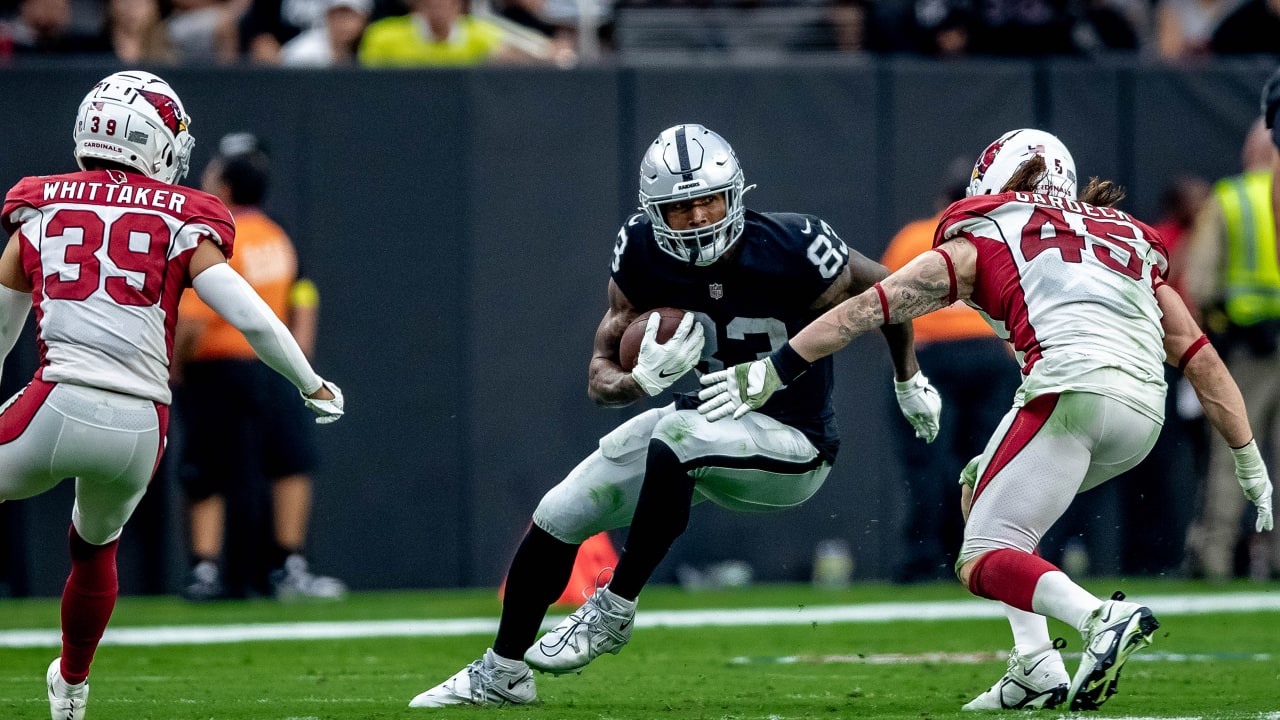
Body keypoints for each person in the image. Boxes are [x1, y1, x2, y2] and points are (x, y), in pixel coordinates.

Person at [699, 128, 1273, 711]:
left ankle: (1100, 618)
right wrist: (1249, 459)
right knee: (980, 490)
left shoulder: (988, 235)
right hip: (1140, 417)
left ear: (995, 181)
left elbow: (869, 308)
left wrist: (776, 368)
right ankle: (1035, 666)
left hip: (1070, 395)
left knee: (978, 557)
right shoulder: (1125, 238)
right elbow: (1199, 357)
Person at [408, 123, 940, 707]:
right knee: (562, 509)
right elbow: (598, 378)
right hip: (708, 424)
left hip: (796, 443)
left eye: (709, 199)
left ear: (737, 194)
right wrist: (637, 381)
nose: (698, 217)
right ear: (654, 211)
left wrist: (907, 377)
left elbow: (890, 290)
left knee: (679, 435)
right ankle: (502, 673)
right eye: (680, 206)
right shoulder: (640, 252)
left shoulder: (793, 246)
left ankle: (614, 609)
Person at [0, 70, 344, 720]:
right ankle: (72, 686)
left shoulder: (40, 206)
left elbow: (0, 326)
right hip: (139, 429)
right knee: (94, 548)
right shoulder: (183, 217)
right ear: (154, 141)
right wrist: (308, 380)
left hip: (54, 401)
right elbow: (248, 315)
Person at [174, 132, 347, 602]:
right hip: (273, 368)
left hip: (217, 367)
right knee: (285, 462)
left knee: (210, 469)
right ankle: (286, 565)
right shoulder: (277, 234)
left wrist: (172, 363)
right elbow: (303, 294)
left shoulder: (215, 236)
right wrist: (300, 357)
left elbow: (192, 318)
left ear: (225, 186)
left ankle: (209, 572)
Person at [880, 160, 1020, 583]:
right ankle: (982, 554)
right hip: (989, 355)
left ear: (943, 199)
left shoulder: (915, 238)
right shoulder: (995, 237)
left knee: (924, 461)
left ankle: (925, 560)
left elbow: (882, 304)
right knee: (985, 459)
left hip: (931, 356)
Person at [1181, 118, 1280, 582]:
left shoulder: (1231, 198)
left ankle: (1216, 557)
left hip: (1249, 349)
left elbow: (1199, 282)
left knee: (1234, 450)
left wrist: (1195, 354)